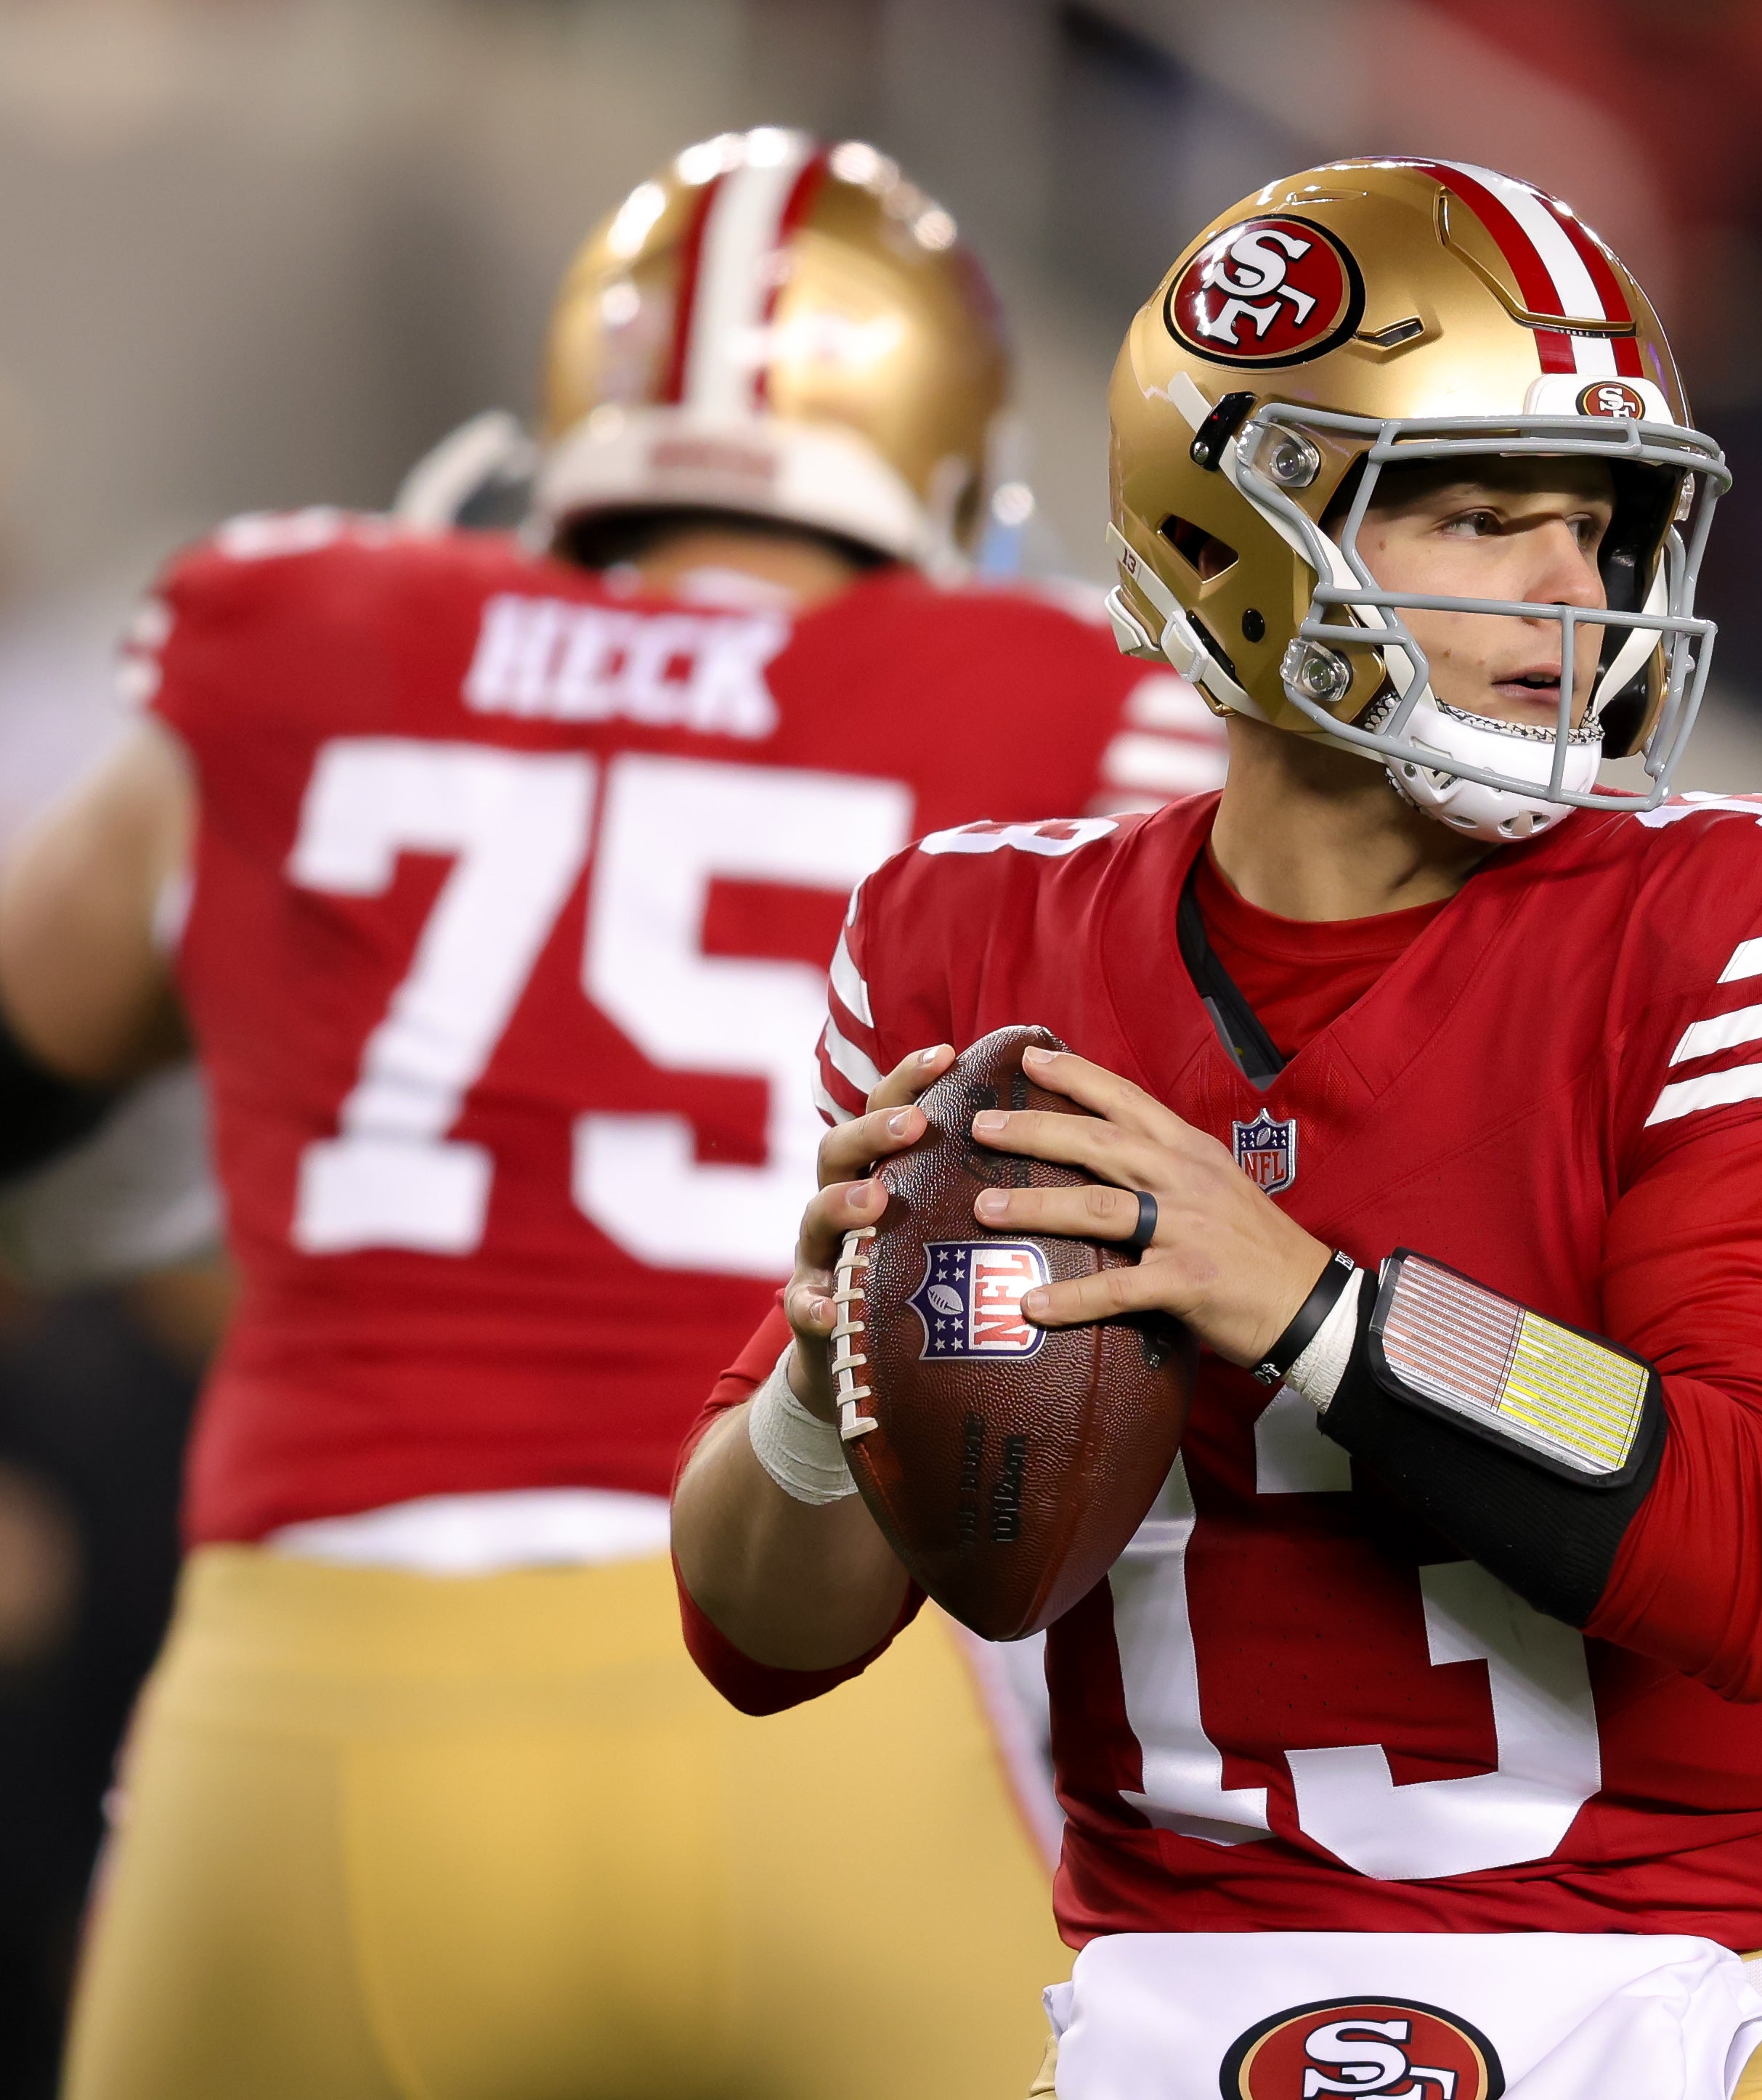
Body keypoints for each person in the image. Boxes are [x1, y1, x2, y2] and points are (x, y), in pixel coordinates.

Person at [670, 158, 1762, 2100]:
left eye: (1599, 523)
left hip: (1647, 2002)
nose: (1572, 592)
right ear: (1236, 525)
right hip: (1164, 2006)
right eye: (1479, 509)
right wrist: (823, 1381)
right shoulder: (977, 941)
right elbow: (758, 1635)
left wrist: (1328, 1312)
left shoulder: (1754, 914)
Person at [0, 128, 1216, 2098]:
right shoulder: (1082, 705)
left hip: (308, 1726)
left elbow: (29, 1051)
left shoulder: (288, 639)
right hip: (827, 1699)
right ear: (943, 482)